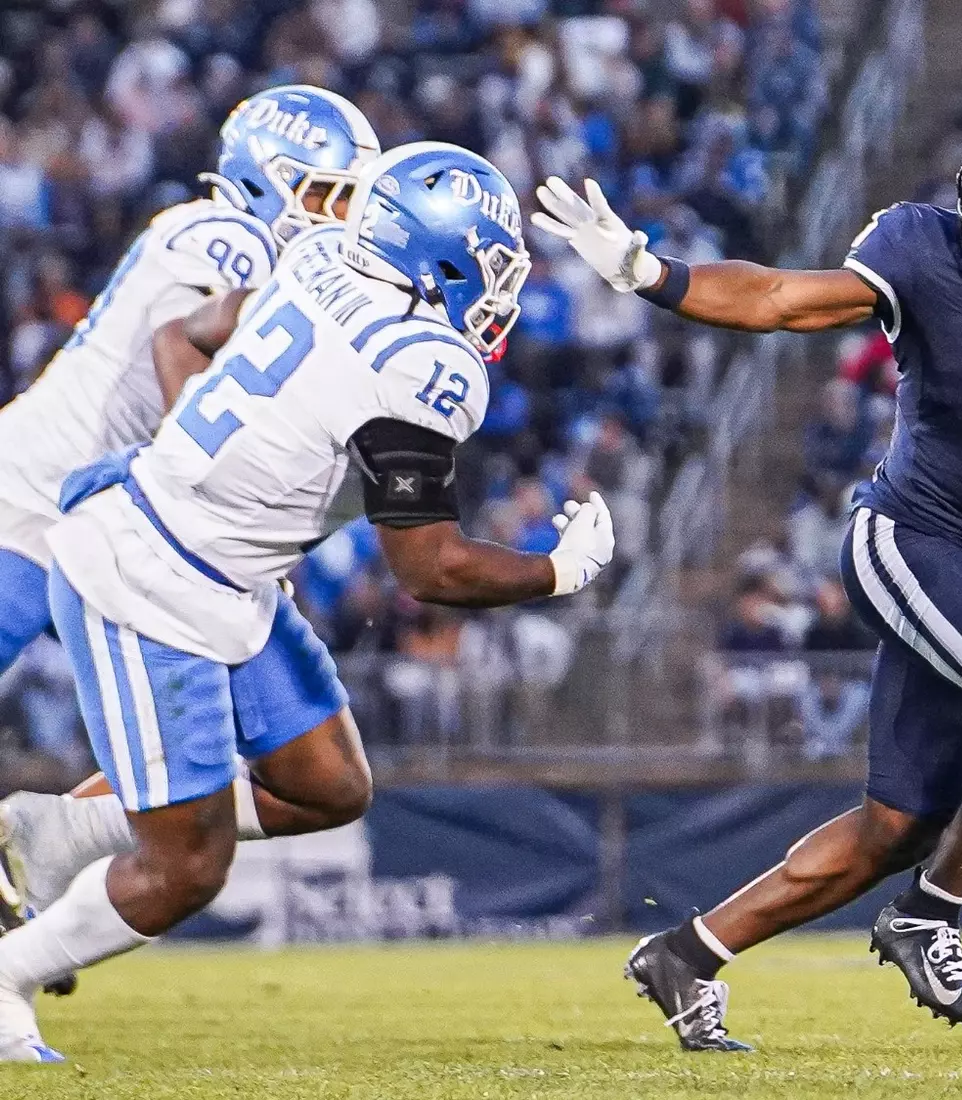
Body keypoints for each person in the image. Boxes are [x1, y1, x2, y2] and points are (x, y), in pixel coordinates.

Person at [533, 87, 962, 1050]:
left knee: (896, 825)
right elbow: (781, 299)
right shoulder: (922, 246)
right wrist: (648, 271)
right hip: (905, 537)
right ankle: (930, 914)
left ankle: (687, 954)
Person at [0, 143, 616, 1062]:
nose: (498, 293)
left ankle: (56, 830)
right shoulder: (417, 362)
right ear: (436, 256)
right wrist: (557, 572)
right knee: (188, 866)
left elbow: (190, 335)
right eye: (487, 267)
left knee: (328, 786)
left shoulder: (319, 257)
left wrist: (227, 477)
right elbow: (431, 569)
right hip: (151, 572)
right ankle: (7, 975)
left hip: (224, 569)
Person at [0, 85, 380, 969]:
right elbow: (187, 344)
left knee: (286, 766)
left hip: (132, 531)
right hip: (31, 509)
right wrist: (213, 503)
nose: (338, 217)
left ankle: (41, 839)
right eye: (321, 193)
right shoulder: (221, 233)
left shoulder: (292, 273)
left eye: (349, 199)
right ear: (262, 181)